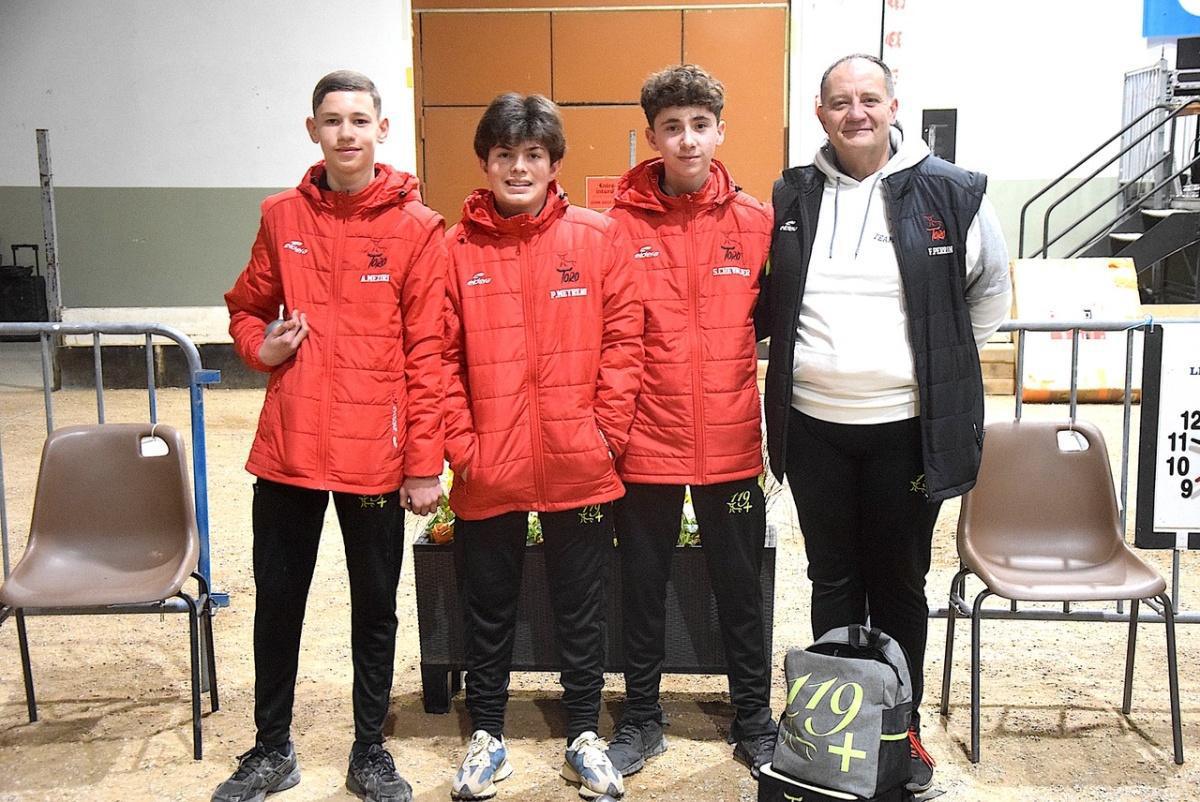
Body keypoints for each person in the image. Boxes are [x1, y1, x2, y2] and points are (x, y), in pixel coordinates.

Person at [760, 54, 1011, 794]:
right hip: (814, 428)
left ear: (895, 105)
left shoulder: (954, 192)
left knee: (899, 580)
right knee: (831, 577)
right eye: (840, 101)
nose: (856, 113)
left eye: (870, 99)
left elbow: (988, 296)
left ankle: (900, 733)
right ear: (819, 112)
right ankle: (839, 734)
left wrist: (934, 360)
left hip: (907, 429)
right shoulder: (792, 193)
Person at [213, 70, 447, 802]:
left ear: (382, 130)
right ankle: (270, 748)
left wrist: (422, 464)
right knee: (279, 601)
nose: (346, 132)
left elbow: (428, 354)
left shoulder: (418, 229)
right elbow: (245, 309)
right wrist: (263, 350)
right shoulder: (282, 217)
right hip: (289, 451)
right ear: (311, 129)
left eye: (359, 119)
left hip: (374, 459)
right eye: (332, 120)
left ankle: (370, 751)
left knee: (375, 606)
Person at [442, 93, 643, 800]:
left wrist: (606, 434)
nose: (518, 168)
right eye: (505, 155)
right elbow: (438, 356)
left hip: (578, 461)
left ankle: (584, 734)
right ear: (485, 162)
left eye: (533, 155)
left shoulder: (597, 237)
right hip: (486, 466)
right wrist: (463, 447)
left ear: (554, 163)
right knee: (487, 602)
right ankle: (488, 737)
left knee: (580, 602)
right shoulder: (454, 248)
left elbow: (625, 341)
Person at [601, 64, 776, 780]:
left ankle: (755, 717)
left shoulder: (758, 221)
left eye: (700, 125)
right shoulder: (614, 226)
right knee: (641, 584)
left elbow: (776, 321)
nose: (687, 139)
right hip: (645, 444)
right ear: (650, 136)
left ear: (721, 130)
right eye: (671, 127)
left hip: (733, 442)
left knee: (741, 585)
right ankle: (641, 716)